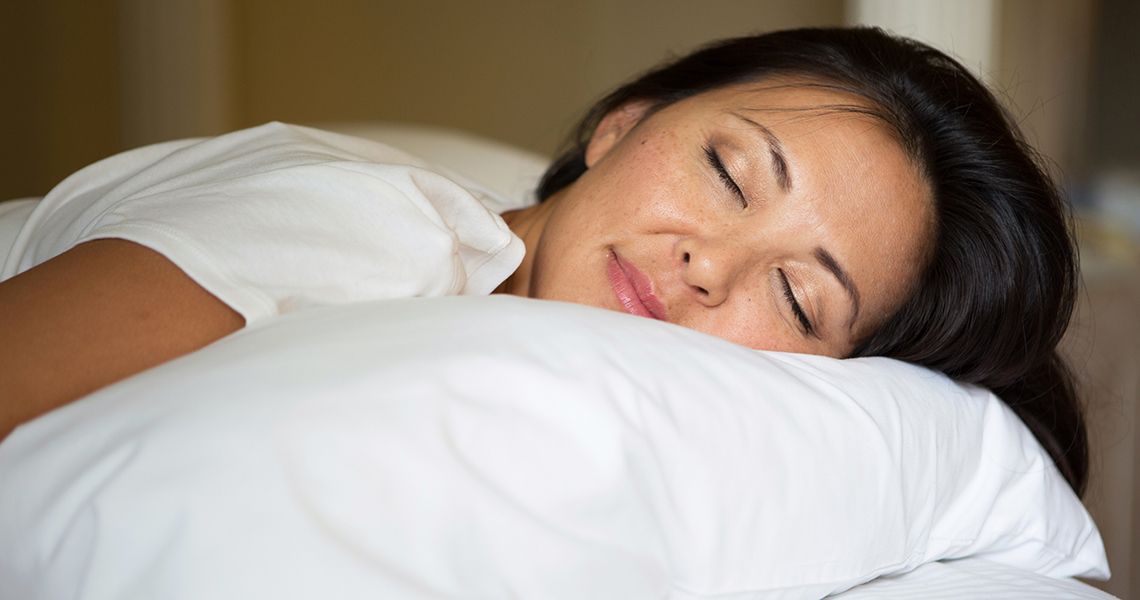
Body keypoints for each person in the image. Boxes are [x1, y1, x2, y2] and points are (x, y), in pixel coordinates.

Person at [0, 27, 1086, 496]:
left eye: (798, 296)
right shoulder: (373, 227)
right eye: (727, 171)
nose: (706, 263)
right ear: (621, 125)